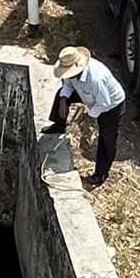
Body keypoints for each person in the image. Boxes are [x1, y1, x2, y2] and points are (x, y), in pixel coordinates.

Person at [46, 45, 127, 187]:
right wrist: (64, 100)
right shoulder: (71, 73)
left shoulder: (96, 79)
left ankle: (101, 174)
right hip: (87, 94)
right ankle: (59, 125)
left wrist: (88, 115)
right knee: (60, 95)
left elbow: (104, 103)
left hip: (111, 105)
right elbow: (68, 85)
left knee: (107, 139)